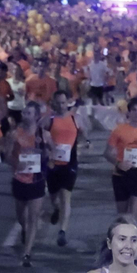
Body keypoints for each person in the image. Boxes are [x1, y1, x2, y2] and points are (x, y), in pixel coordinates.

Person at [4, 98, 50, 267]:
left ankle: (27, 253)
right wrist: (16, 164)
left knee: (33, 217)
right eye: (24, 112)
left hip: (37, 180)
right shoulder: (14, 134)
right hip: (19, 179)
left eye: (29, 113)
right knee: (21, 216)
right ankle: (23, 229)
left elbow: (50, 154)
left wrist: (45, 150)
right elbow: (7, 156)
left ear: (37, 116)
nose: (25, 115)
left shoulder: (44, 135)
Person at [43, 90, 83, 246]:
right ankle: (56, 209)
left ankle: (62, 231)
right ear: (54, 103)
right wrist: (47, 147)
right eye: (58, 103)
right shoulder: (48, 120)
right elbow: (40, 138)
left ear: (68, 103)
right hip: (53, 164)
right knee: (54, 197)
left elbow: (83, 134)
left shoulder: (75, 118)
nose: (61, 106)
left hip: (69, 163)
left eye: (63, 102)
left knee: (66, 196)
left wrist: (85, 144)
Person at [105, 97, 137, 216]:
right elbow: (107, 153)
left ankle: (132, 234)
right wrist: (118, 163)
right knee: (122, 215)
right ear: (129, 112)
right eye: (134, 110)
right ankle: (120, 233)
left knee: (133, 214)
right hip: (121, 175)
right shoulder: (118, 130)